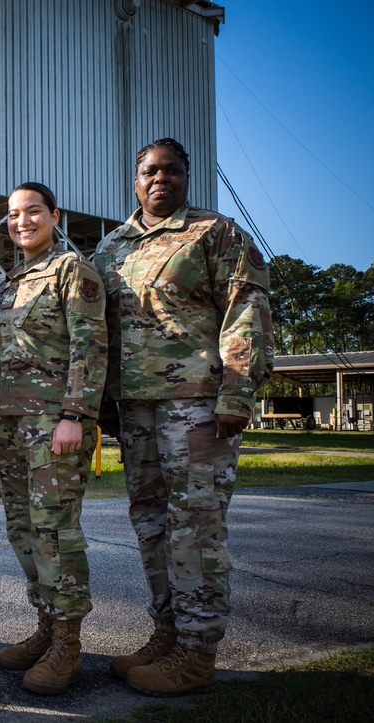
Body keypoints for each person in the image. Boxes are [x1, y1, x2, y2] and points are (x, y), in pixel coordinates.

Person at [93, 138, 274, 697]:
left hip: (198, 406)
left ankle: (197, 653)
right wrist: (101, 405)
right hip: (136, 411)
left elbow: (247, 313)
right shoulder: (111, 247)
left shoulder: (217, 234)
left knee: (194, 527)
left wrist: (237, 396)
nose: (160, 180)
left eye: (172, 171)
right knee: (151, 524)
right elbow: (98, 329)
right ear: (134, 179)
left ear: (186, 177)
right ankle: (167, 634)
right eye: (150, 171)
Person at [0, 182, 107, 695]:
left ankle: (67, 644)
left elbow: (90, 346)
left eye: (33, 211)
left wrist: (75, 414)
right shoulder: (7, 284)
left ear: (55, 215)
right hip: (9, 427)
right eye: (13, 214)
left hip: (54, 427)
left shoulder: (72, 270)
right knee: (23, 531)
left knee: (55, 532)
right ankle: (46, 625)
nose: (22, 221)